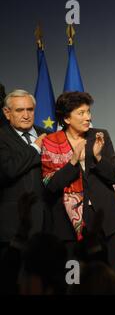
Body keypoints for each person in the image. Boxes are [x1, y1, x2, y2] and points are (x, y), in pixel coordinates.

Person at [41, 91, 115, 280]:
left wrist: (97, 157)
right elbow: (50, 185)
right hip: (68, 225)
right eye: (81, 113)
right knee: (75, 280)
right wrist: (72, 162)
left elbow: (114, 175)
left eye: (88, 111)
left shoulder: (99, 135)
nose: (88, 117)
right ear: (66, 118)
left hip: (105, 220)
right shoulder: (51, 141)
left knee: (111, 277)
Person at [0, 90, 49, 255]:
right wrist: (35, 148)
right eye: (20, 110)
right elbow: (8, 169)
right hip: (14, 226)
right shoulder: (1, 137)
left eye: (30, 109)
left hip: (48, 225)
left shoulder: (49, 135)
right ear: (7, 113)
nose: (26, 115)